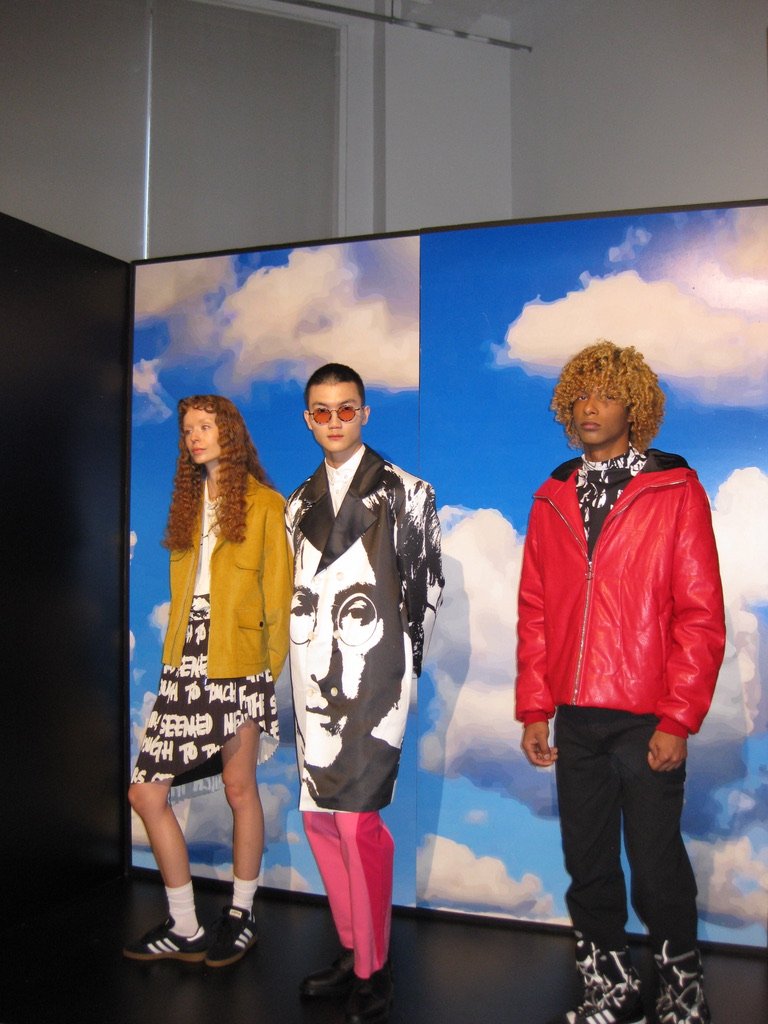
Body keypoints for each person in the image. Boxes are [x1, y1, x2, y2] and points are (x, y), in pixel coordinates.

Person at [515, 341, 725, 1024]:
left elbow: (700, 614)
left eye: (604, 394)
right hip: (573, 716)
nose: (589, 406)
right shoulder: (552, 494)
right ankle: (608, 988)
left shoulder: (675, 488)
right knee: (590, 864)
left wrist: (678, 719)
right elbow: (536, 609)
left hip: (646, 714)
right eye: (580, 395)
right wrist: (534, 707)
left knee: (659, 866)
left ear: (634, 407)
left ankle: (680, 996)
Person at [286, 363, 443, 1024]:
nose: (334, 423)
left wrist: (401, 673)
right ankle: (352, 950)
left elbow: (426, 594)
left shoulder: (409, 492)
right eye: (321, 412)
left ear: (366, 412)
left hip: (373, 675)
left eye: (345, 410)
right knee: (321, 818)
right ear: (307, 418)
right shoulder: (298, 504)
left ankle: (374, 969)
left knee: (358, 823)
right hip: (310, 676)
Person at [124, 395, 292, 966]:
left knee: (239, 787)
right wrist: (175, 661)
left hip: (237, 661)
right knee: (145, 792)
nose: (195, 436)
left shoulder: (267, 505)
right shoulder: (188, 505)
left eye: (206, 426)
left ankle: (242, 914)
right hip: (186, 660)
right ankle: (186, 925)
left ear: (231, 432)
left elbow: (281, 597)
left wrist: (260, 678)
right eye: (188, 429)